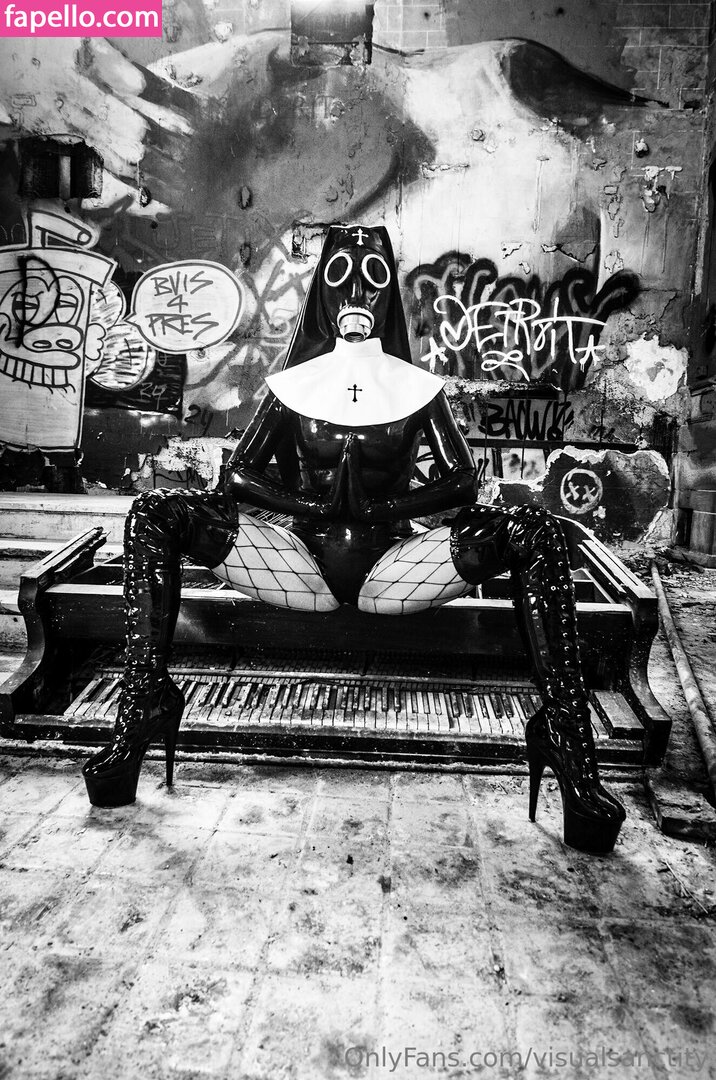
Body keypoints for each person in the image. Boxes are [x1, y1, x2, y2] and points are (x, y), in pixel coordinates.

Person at [82, 225, 626, 854]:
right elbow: (239, 476)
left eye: (374, 277)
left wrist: (381, 507)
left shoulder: (415, 387)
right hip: (298, 562)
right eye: (341, 276)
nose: (357, 295)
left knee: (539, 531)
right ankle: (143, 706)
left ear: (388, 294)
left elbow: (461, 482)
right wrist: (319, 505)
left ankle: (567, 738)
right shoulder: (295, 385)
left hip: (393, 567)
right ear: (322, 294)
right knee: (154, 513)